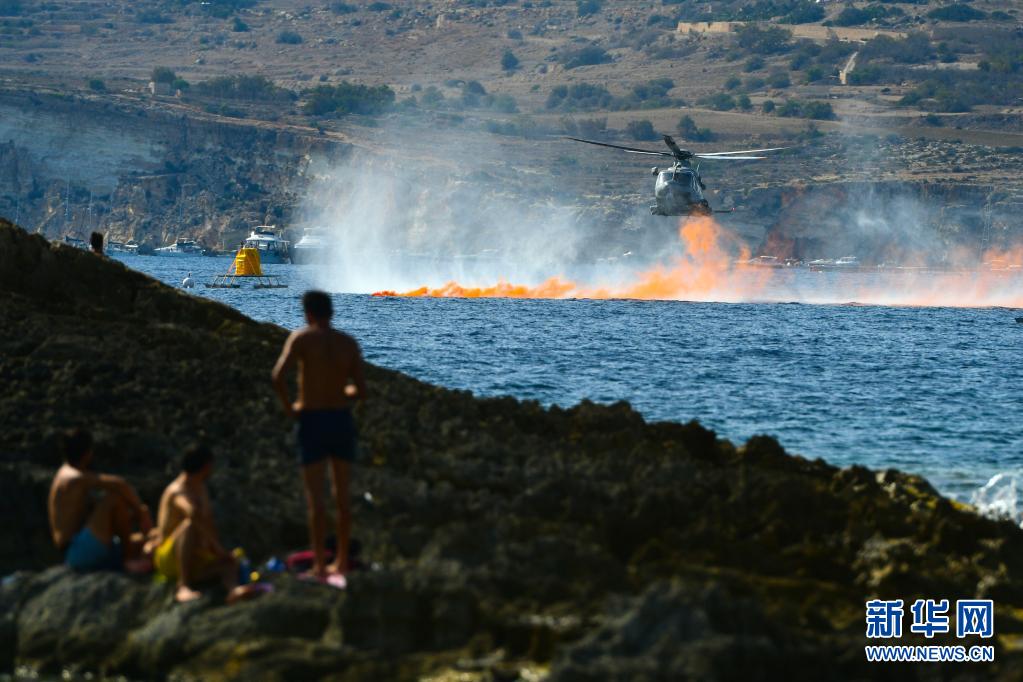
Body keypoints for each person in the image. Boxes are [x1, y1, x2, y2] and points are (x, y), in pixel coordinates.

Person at [271, 290, 367, 580]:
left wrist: (292, 408)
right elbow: (361, 390)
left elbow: (277, 376)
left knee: (316, 500)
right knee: (342, 497)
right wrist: (341, 392)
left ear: (307, 314)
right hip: (340, 419)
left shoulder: (301, 339)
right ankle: (340, 562)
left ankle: (319, 567)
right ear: (332, 312)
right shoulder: (348, 344)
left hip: (311, 419)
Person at [48, 428, 152, 572]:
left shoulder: (69, 475)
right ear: (88, 453)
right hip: (76, 551)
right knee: (113, 500)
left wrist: (133, 516)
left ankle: (129, 554)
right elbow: (119, 484)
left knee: (150, 540)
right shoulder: (72, 477)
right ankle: (128, 560)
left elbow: (95, 510)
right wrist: (141, 512)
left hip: (85, 547)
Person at [151, 444, 239, 603]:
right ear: (207, 466)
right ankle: (183, 585)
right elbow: (192, 513)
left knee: (229, 564)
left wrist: (219, 552)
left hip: (196, 557)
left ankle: (233, 591)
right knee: (189, 525)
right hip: (169, 558)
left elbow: (208, 522)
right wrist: (218, 549)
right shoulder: (177, 490)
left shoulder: (200, 487)